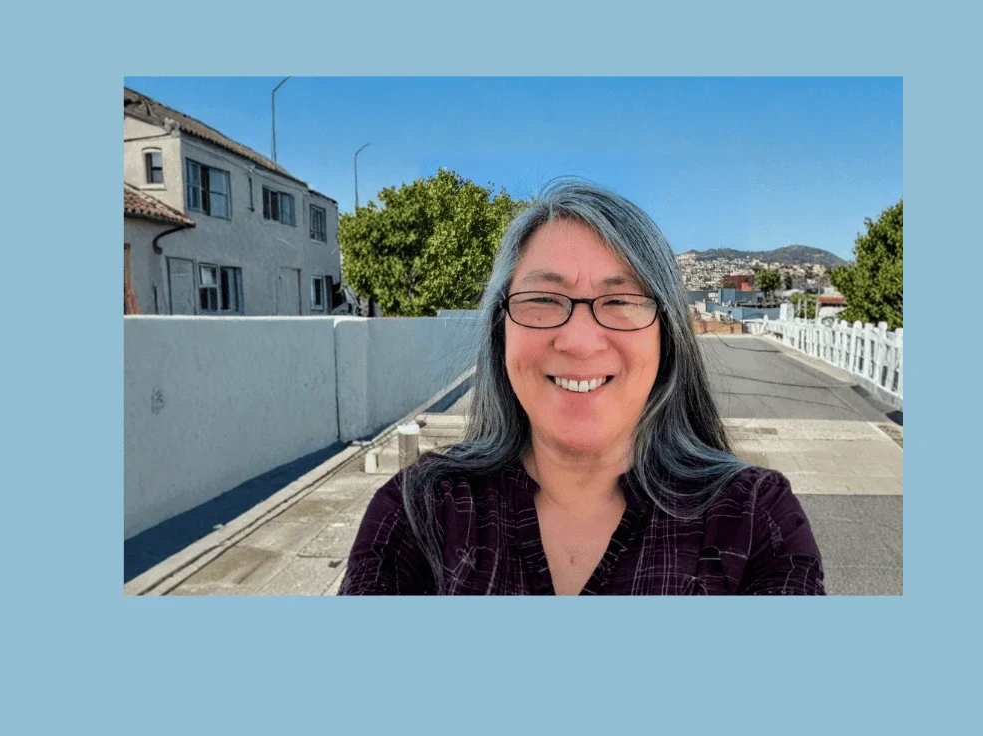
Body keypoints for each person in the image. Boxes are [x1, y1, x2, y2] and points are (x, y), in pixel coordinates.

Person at [339, 180, 824, 595]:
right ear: (500, 327)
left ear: (667, 333)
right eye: (544, 299)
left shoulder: (755, 521)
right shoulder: (420, 514)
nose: (578, 341)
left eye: (619, 300)